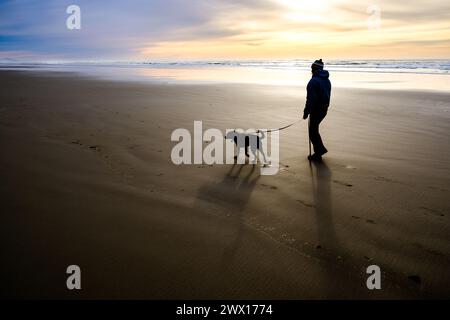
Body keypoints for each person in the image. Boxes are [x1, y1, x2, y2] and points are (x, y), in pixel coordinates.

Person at [303, 59, 331, 161]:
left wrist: (306, 112)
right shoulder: (327, 80)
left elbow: (310, 99)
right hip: (324, 109)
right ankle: (319, 151)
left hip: (316, 110)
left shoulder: (313, 82)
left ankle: (319, 152)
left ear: (314, 69)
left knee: (312, 132)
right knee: (314, 130)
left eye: (312, 68)